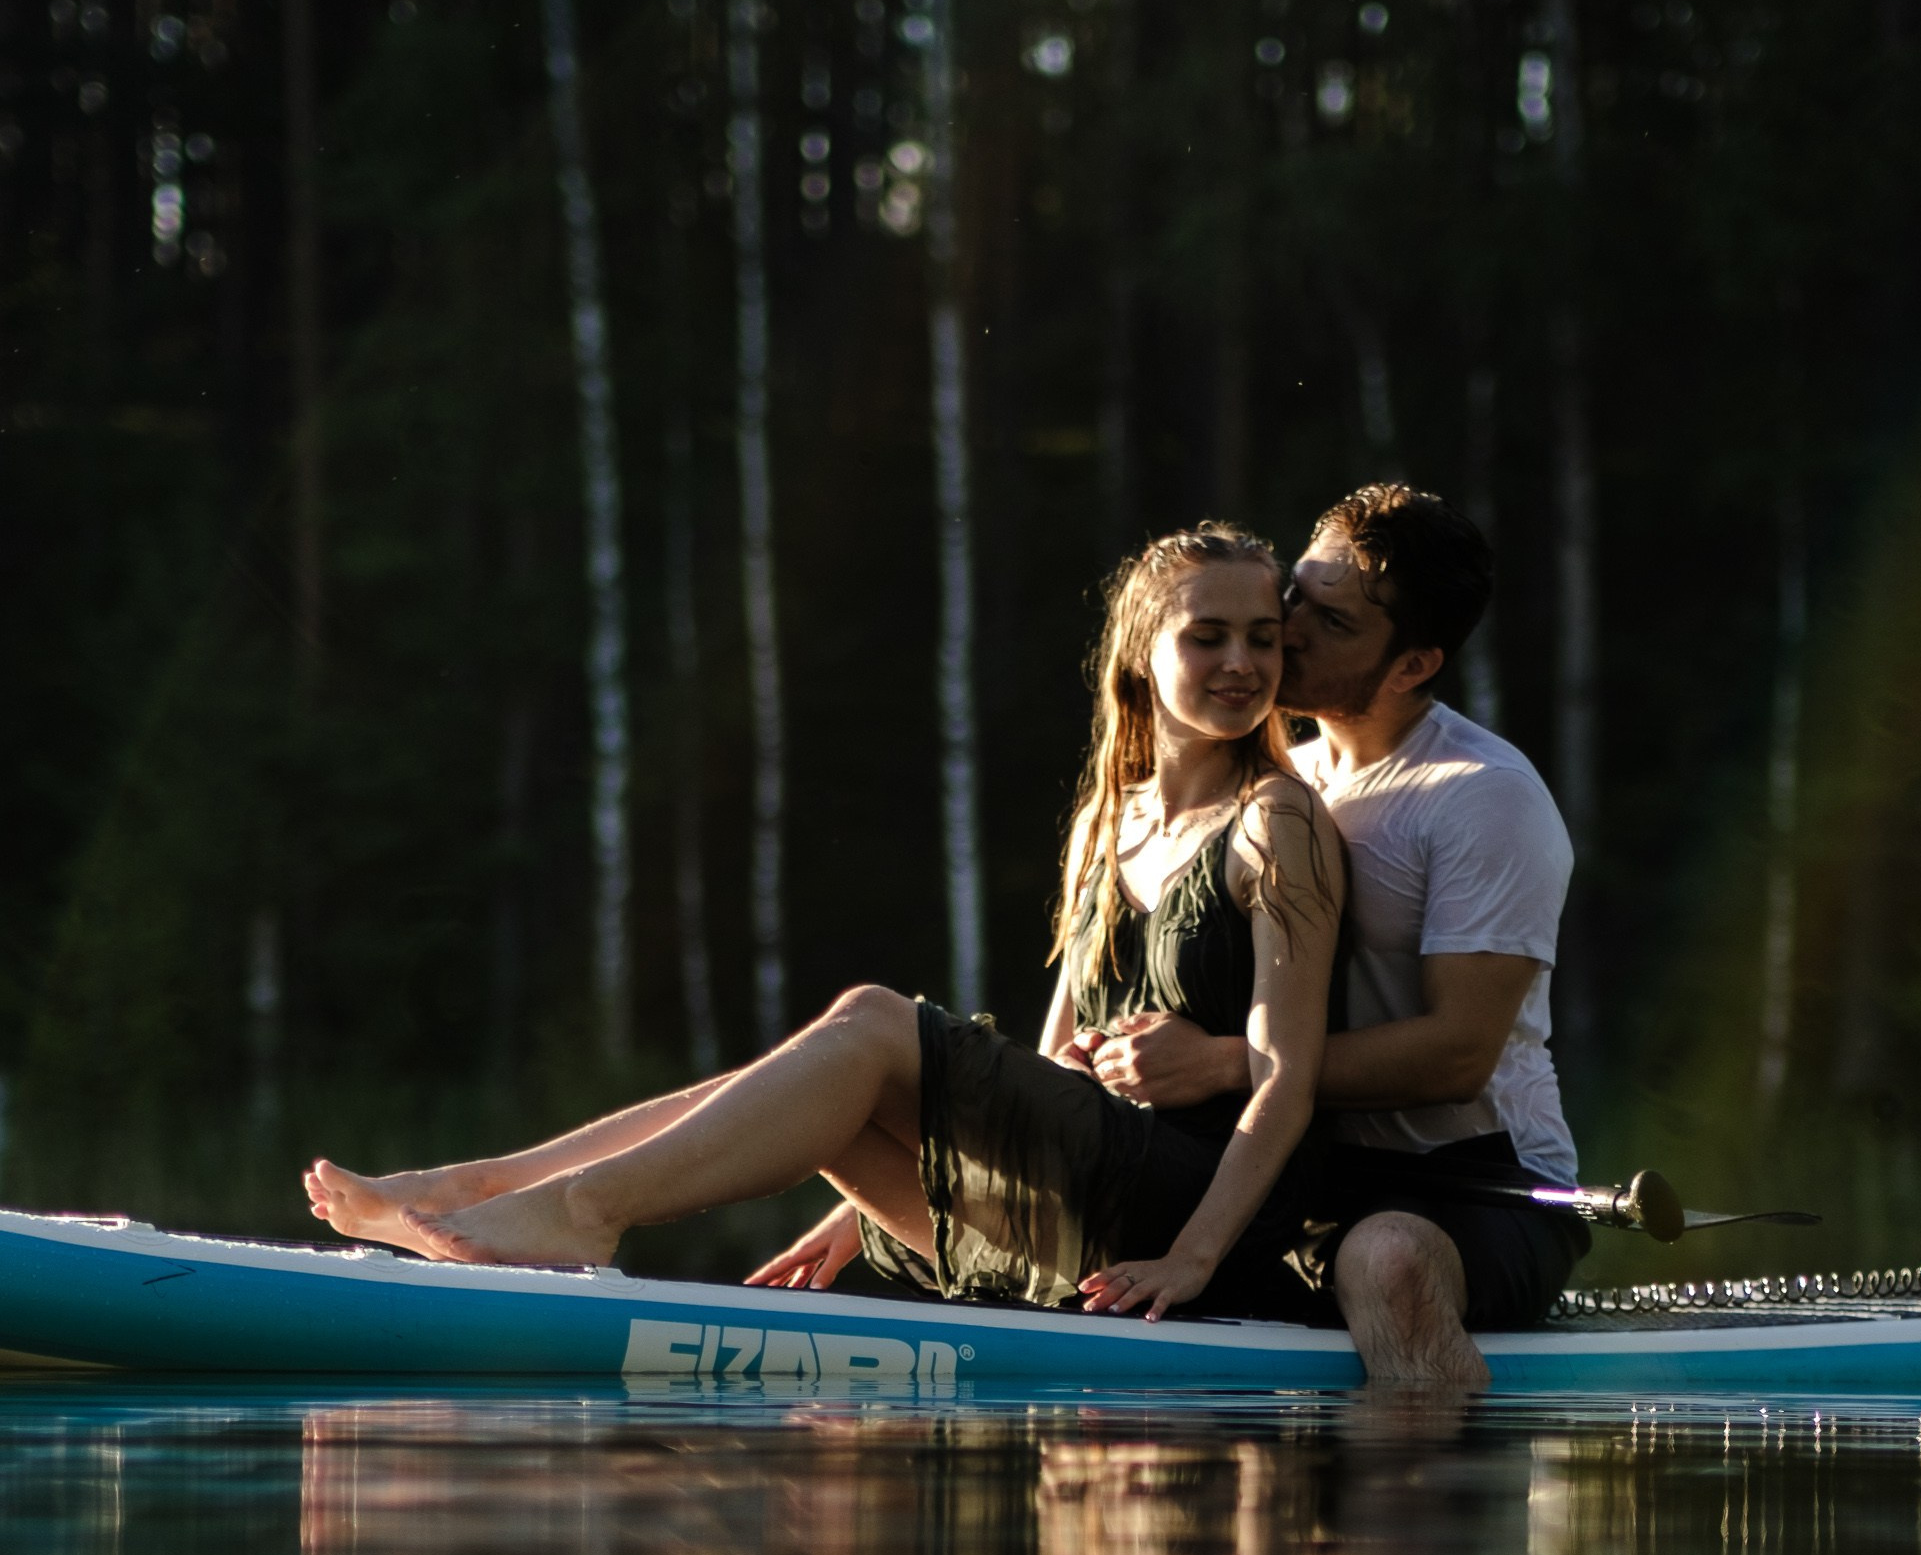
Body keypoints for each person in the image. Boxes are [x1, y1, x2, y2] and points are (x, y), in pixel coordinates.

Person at [301, 526, 1343, 1322]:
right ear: (1140, 655)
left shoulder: (1277, 820)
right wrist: (864, 1204)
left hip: (1187, 1210)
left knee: (876, 1022)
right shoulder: (1103, 825)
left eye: (1262, 639)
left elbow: (1285, 1080)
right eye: (1207, 636)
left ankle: (571, 1213)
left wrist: (1196, 1259)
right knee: (820, 1077)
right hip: (1078, 1198)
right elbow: (1052, 1069)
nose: (1242, 663)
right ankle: (487, 1187)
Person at [1084, 482, 1585, 1392]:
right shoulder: (1276, 776)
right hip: (1300, 1170)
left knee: (1387, 1261)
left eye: (1336, 623)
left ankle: (1427, 1506)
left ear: (1412, 665)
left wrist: (1225, 1064)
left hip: (1478, 1181)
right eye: (1297, 597)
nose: (1292, 632)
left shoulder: (1482, 796)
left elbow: (1457, 1057)